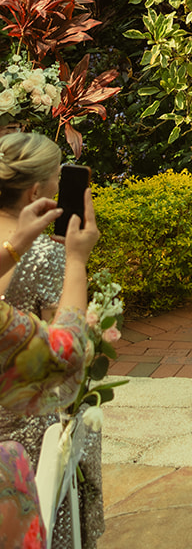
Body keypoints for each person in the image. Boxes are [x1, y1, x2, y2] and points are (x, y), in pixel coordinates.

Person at [0, 132, 105, 549]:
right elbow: (64, 353)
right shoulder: (48, 255)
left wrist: (15, 245)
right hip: (21, 432)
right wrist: (76, 261)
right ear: (37, 191)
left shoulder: (28, 248)